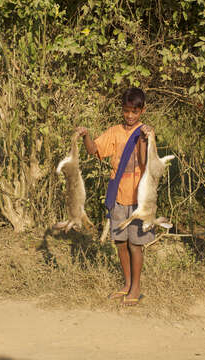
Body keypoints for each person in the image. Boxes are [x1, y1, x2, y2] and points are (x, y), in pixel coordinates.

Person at [76, 87, 155, 305]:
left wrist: (145, 139)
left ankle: (136, 288)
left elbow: (144, 162)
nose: (130, 116)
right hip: (118, 196)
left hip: (139, 198)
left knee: (135, 245)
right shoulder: (114, 131)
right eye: (126, 111)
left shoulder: (146, 133)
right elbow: (93, 150)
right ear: (122, 109)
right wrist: (86, 136)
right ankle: (127, 284)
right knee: (120, 243)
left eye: (134, 112)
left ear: (142, 111)